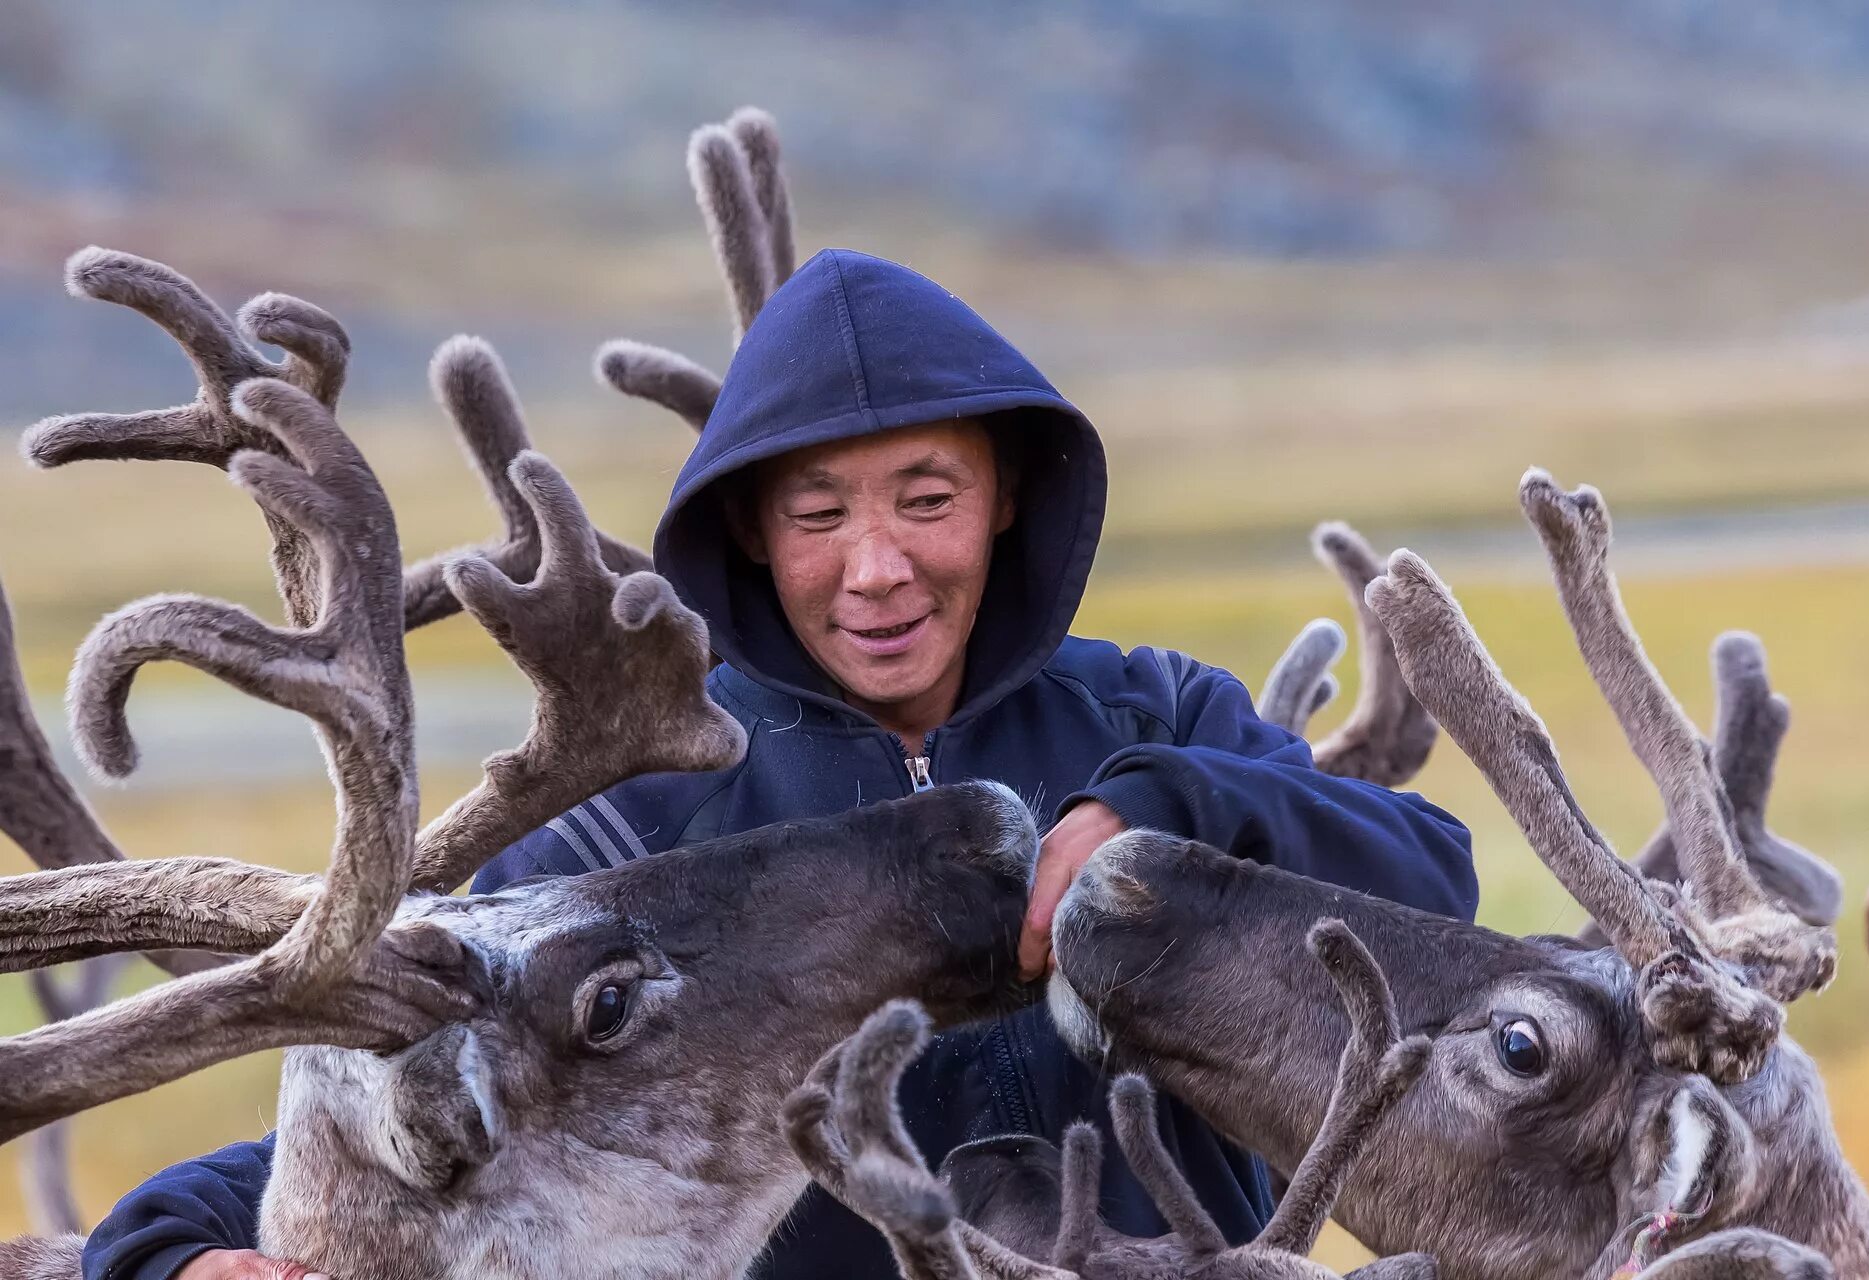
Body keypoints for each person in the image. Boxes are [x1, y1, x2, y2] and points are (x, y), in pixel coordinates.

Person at [83, 250, 1475, 1280]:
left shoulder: (1157, 709)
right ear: (748, 530)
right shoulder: (615, 822)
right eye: (819, 516)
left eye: (929, 501)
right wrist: (162, 1250)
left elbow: (1432, 887)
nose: (878, 569)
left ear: (1005, 503)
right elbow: (415, 1106)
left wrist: (1165, 824)